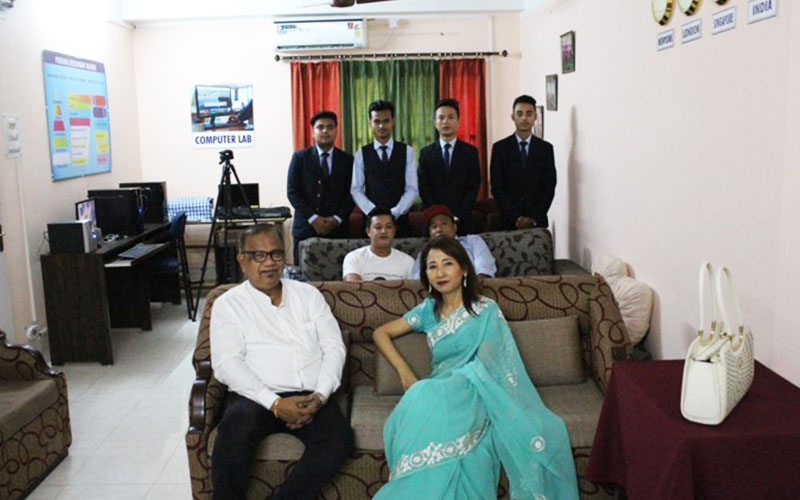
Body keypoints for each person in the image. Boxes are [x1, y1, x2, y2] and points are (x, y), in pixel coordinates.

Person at [371, 237, 579, 499]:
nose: (440, 272)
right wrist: (405, 372)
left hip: (475, 389)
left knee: (423, 394)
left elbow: (490, 364)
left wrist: (461, 379)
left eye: (447, 263)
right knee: (419, 394)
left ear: (464, 268)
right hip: (439, 387)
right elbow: (380, 333)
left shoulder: (485, 309)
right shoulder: (427, 310)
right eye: (432, 266)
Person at [210, 224, 354, 500]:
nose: (269, 263)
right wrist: (275, 404)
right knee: (233, 432)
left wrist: (320, 396)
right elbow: (227, 364)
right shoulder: (228, 305)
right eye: (259, 255)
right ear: (242, 260)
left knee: (339, 441)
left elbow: (334, 347)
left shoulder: (307, 295)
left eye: (276, 254)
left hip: (310, 395)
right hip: (255, 396)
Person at [287, 110, 355, 263]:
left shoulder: (347, 160)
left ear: (336, 131)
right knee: (303, 274)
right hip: (306, 229)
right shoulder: (300, 158)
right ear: (313, 132)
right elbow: (292, 192)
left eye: (330, 127)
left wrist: (337, 219)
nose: (325, 131)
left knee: (338, 275)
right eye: (320, 127)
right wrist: (313, 218)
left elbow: (352, 194)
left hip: (338, 230)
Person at [350, 100, 418, 237]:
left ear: (393, 121)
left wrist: (395, 212)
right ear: (370, 123)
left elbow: (412, 189)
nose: (381, 126)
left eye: (386, 121)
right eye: (377, 121)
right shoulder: (361, 153)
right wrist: (373, 212)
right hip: (371, 224)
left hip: (400, 222)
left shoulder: (407, 152)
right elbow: (356, 190)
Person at [490, 94, 557, 230]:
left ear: (535, 116)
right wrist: (516, 217)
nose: (524, 118)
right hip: (509, 221)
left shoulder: (545, 149)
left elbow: (549, 186)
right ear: (512, 116)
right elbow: (497, 187)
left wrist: (534, 217)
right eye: (519, 114)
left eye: (529, 114)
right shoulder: (500, 148)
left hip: (537, 221)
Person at [417, 98, 481, 235]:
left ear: (458, 121)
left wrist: (456, 217)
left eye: (450, 117)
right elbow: (424, 188)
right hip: (434, 223)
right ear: (435, 123)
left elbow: (473, 187)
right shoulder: (426, 154)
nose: (445, 121)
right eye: (441, 118)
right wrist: (440, 217)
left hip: (463, 220)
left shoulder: (470, 152)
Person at [411, 204, 496, 278]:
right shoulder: (425, 253)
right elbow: (416, 280)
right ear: (430, 233)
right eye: (434, 226)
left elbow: (485, 269)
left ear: (454, 227)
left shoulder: (473, 242)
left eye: (444, 224)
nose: (439, 229)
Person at [342, 208, 414, 281]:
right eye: (378, 227)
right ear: (368, 231)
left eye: (388, 227)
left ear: (394, 231)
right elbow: (353, 287)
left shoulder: (408, 262)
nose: (383, 231)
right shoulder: (354, 258)